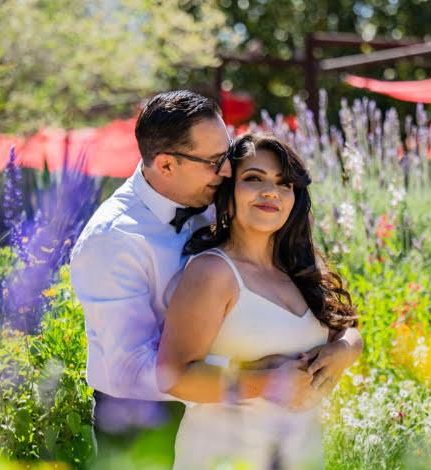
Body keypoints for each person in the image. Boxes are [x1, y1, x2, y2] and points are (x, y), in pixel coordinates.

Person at [69, 91, 362, 458]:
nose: (226, 171)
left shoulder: (214, 205)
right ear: (166, 165)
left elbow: (328, 314)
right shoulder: (111, 238)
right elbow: (129, 368)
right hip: (142, 423)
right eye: (213, 161)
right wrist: (252, 375)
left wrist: (346, 348)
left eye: (226, 157)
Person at [156, 133, 360, 469]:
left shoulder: (301, 269)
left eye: (284, 184)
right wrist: (266, 382)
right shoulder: (213, 273)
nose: (270, 192)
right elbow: (174, 377)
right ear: (228, 192)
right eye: (254, 179)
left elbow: (347, 330)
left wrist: (344, 352)